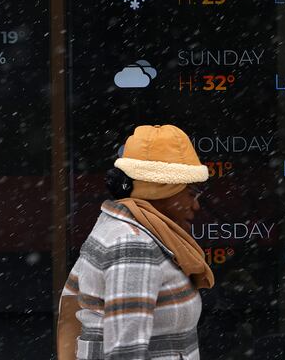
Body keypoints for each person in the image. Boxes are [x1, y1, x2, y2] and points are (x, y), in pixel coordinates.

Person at [57, 124, 215, 360]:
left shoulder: (116, 225)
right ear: (161, 190)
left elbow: (70, 308)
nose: (196, 206)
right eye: (190, 193)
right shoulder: (133, 245)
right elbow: (124, 353)